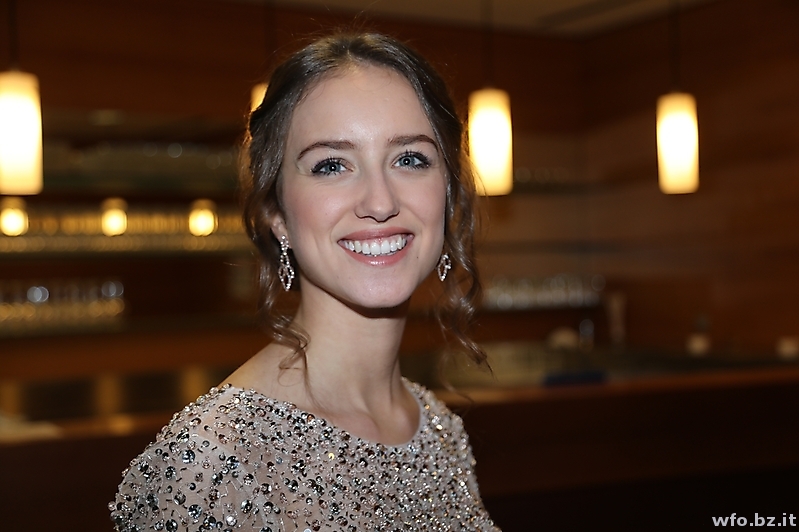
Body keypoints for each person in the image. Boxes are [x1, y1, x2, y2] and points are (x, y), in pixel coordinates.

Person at [110, 32, 499, 532]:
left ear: (447, 194)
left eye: (410, 159)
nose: (380, 202)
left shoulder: (440, 429)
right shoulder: (208, 464)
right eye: (331, 165)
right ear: (277, 215)